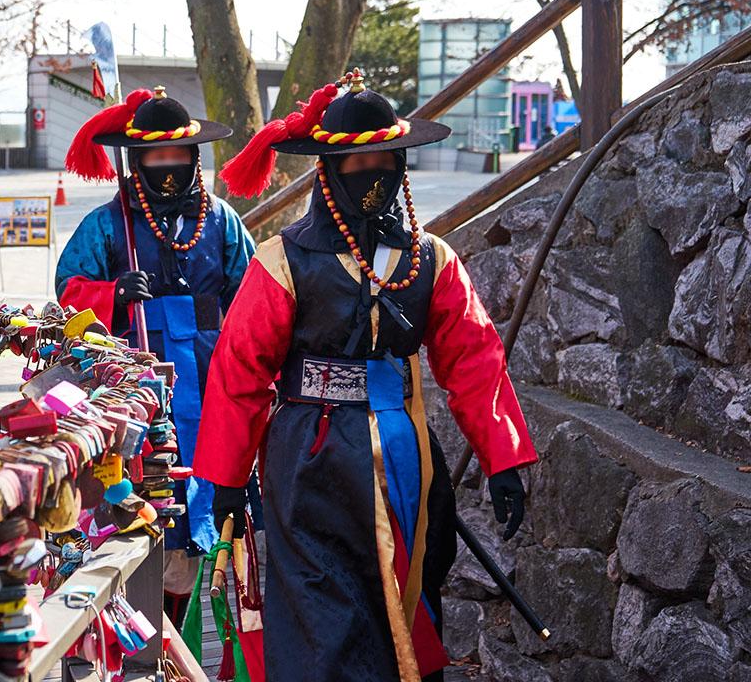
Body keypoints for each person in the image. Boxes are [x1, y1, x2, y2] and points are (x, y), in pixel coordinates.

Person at [197, 69, 538, 681]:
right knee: (321, 615)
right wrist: (224, 476)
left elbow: (474, 356)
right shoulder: (283, 261)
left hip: (407, 457)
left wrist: (503, 456)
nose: (373, 173)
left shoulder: (430, 259)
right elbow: (239, 371)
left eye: (385, 158)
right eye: (358, 162)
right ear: (329, 170)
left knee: (409, 598)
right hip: (311, 464)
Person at [55, 86, 257, 623]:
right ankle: (146, 619)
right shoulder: (106, 223)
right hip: (142, 376)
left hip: (213, 375)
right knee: (149, 488)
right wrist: (112, 295)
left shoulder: (223, 222)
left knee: (210, 487)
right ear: (137, 161)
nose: (168, 166)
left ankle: (195, 618)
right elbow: (67, 288)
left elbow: (254, 297)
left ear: (193, 158)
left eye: (177, 156)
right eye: (155, 157)